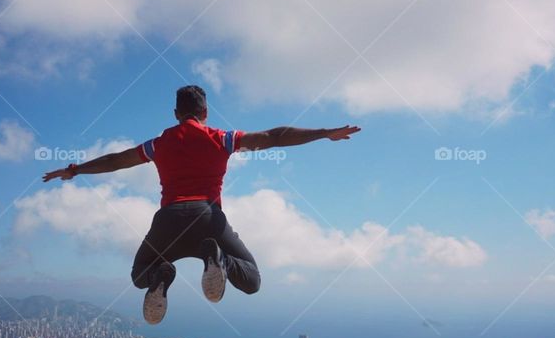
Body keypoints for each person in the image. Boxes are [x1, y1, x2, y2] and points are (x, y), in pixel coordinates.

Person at [43, 85, 361, 324]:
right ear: (205, 113)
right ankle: (219, 258)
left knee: (140, 275)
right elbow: (273, 136)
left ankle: (161, 276)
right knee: (251, 280)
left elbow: (116, 161)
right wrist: (324, 133)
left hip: (168, 222)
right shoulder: (221, 138)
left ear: (176, 114)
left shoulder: (159, 143)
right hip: (208, 219)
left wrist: (76, 170)